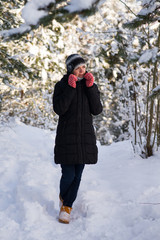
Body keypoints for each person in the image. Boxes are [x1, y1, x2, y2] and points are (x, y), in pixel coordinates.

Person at [53, 53, 102, 224]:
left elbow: (97, 110)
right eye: (78, 68)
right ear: (70, 70)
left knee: (78, 175)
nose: (82, 70)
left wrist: (90, 87)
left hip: (84, 138)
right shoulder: (61, 85)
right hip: (67, 138)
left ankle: (67, 207)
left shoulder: (90, 85)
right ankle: (64, 196)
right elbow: (60, 109)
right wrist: (70, 88)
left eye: (83, 67)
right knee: (68, 174)